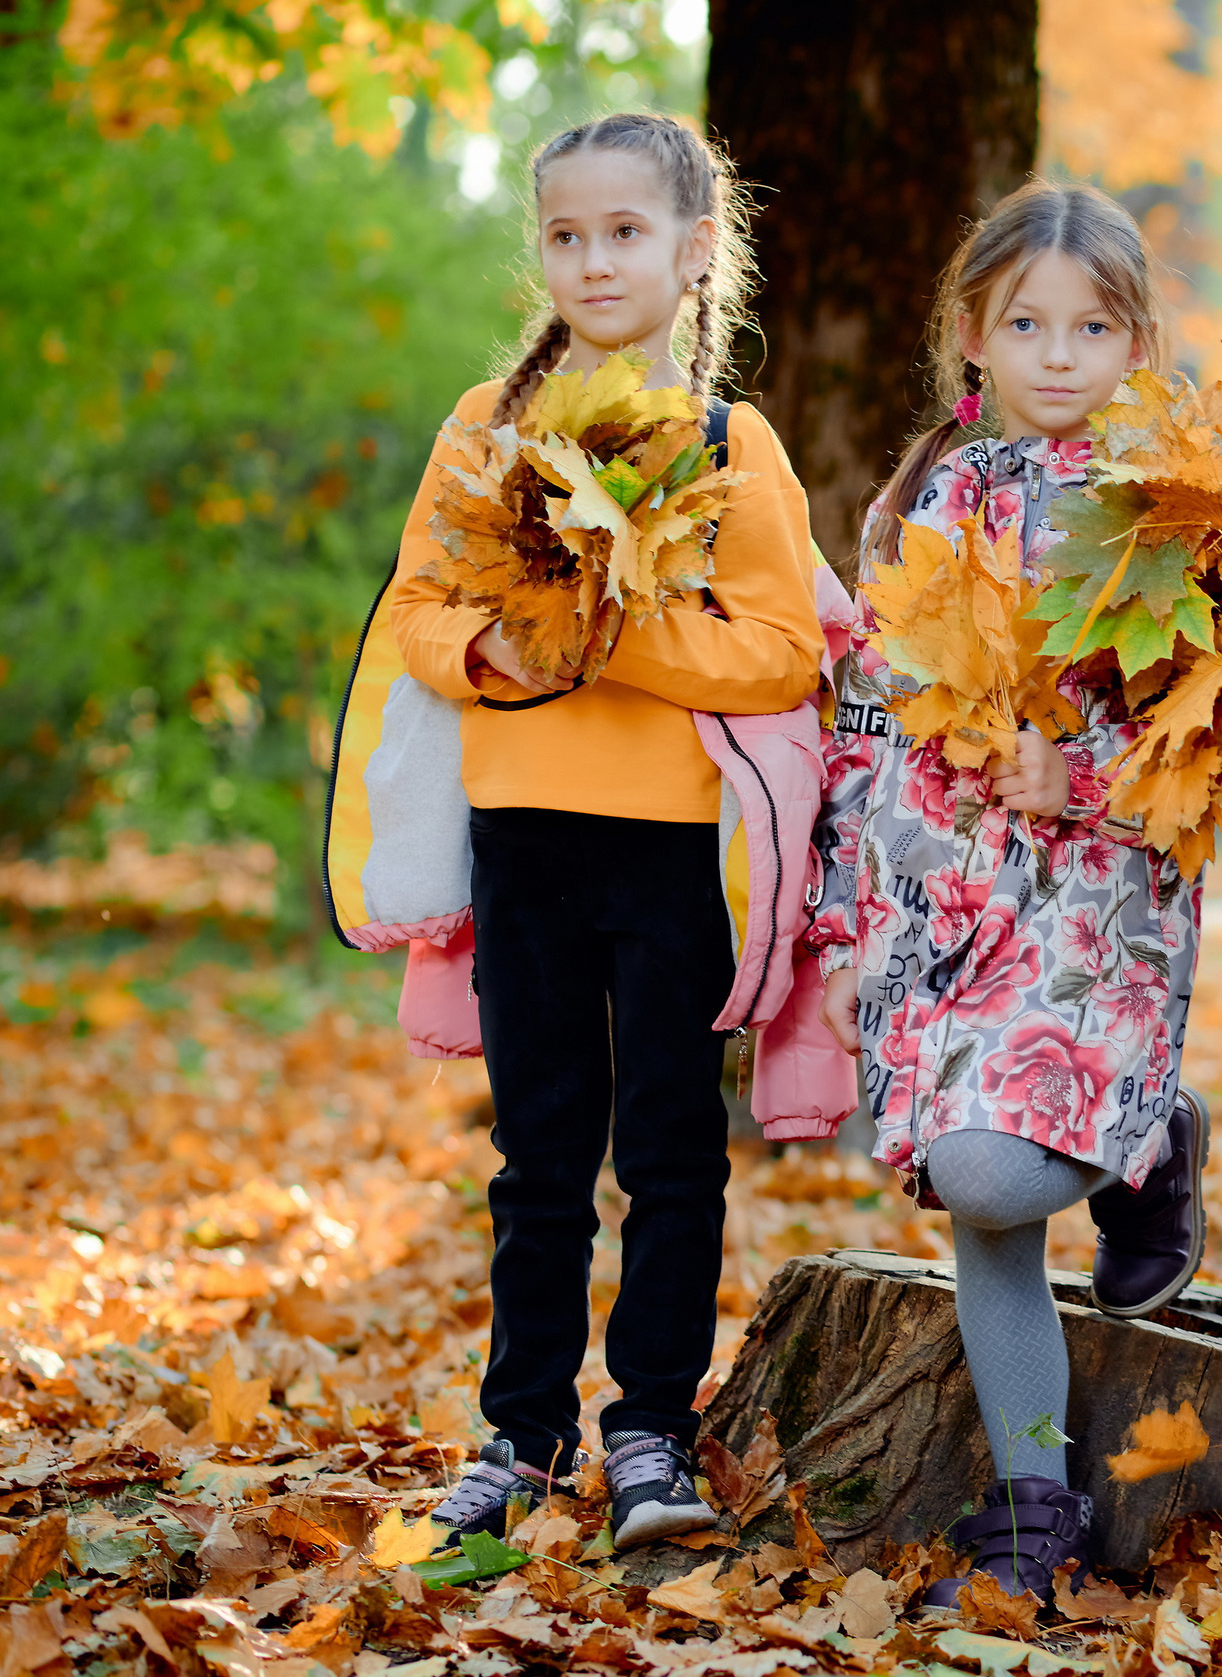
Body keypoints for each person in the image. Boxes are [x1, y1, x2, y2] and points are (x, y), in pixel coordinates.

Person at [387, 114, 833, 1552]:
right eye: (568, 236)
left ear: (696, 252)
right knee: (539, 1154)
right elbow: (417, 610)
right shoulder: (486, 424)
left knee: (671, 1148)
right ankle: (518, 1436)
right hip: (523, 840)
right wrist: (492, 658)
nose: (594, 261)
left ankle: (649, 1429)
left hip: (671, 848)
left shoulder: (728, 442)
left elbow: (775, 651)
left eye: (625, 233)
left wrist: (610, 637)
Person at [809, 180, 1207, 1606]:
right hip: (942, 899)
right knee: (983, 1212)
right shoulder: (925, 496)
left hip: (1098, 904)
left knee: (995, 1164)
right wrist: (850, 923)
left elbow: (1213, 731)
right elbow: (866, 714)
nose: (1056, 351)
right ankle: (1036, 1498)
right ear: (970, 331)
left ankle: (1152, 1127)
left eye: (1091, 325)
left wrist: (1084, 773)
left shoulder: (1168, 508)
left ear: (1134, 339)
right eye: (1025, 322)